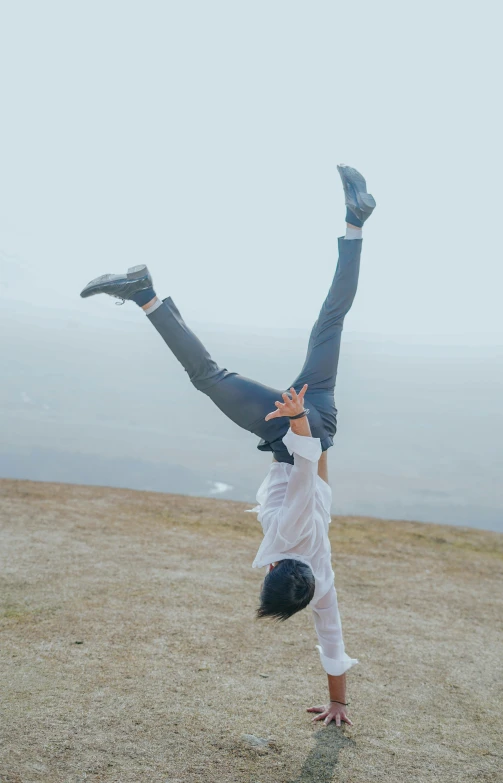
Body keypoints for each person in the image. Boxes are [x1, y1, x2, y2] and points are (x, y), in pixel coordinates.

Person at [80, 164, 376, 727]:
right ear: (276, 574)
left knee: (331, 321)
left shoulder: (322, 582)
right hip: (295, 432)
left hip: (323, 422)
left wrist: (339, 702)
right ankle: (142, 293)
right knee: (209, 377)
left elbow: (332, 642)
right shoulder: (289, 536)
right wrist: (296, 425)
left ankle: (355, 221)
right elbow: (307, 473)